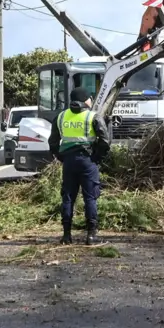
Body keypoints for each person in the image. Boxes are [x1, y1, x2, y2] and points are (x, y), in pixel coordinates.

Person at [48, 86, 111, 245]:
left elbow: (53, 142)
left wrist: (62, 157)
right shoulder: (93, 116)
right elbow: (105, 141)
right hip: (87, 161)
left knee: (68, 197)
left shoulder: (61, 117)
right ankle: (91, 235)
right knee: (90, 197)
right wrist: (97, 158)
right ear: (86, 100)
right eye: (90, 98)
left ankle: (66, 236)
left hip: (69, 162)